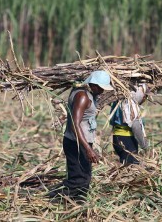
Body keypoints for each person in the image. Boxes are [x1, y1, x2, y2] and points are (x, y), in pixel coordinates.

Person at [48, 70, 113, 202]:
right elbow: (75, 124)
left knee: (84, 177)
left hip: (80, 141)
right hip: (76, 142)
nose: (102, 91)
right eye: (100, 88)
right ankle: (54, 199)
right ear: (93, 84)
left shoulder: (86, 93)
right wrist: (88, 149)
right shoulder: (82, 97)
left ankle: (78, 204)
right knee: (79, 179)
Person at [110, 84, 149, 165]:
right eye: (145, 96)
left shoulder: (119, 101)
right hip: (126, 140)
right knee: (131, 167)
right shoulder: (129, 104)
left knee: (126, 166)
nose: (144, 99)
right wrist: (143, 144)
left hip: (118, 138)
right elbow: (135, 126)